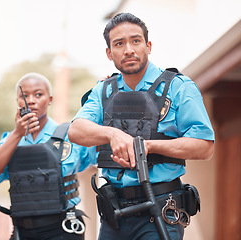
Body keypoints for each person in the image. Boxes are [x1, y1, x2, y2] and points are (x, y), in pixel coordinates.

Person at [68, 13, 215, 240]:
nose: (128, 50)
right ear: (109, 53)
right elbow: (75, 130)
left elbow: (205, 147)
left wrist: (147, 147)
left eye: (135, 41)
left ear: (148, 46)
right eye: (119, 44)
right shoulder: (103, 91)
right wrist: (112, 133)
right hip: (113, 213)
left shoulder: (179, 88)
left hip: (160, 210)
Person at [0, 72, 96, 240]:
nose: (31, 100)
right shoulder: (10, 141)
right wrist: (17, 134)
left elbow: (100, 152)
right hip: (23, 231)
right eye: (24, 96)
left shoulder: (70, 135)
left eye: (38, 94)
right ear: (18, 102)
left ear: (50, 99)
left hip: (62, 229)